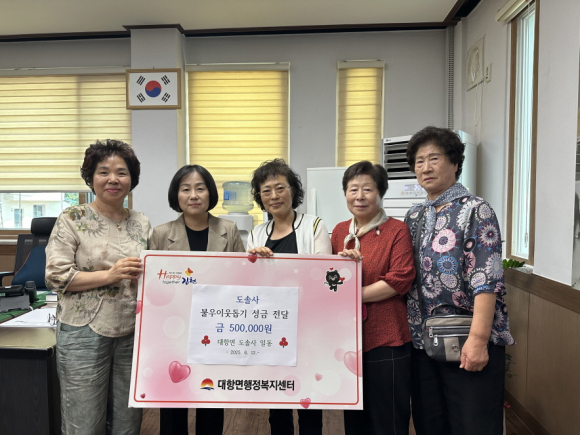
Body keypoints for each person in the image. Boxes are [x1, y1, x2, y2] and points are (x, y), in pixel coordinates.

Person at [404, 126, 515, 435]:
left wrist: (478, 340)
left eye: (434, 158)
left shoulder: (475, 210)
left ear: (454, 162)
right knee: (430, 423)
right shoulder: (414, 216)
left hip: (467, 339)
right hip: (423, 342)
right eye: (419, 161)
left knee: (473, 424)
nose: (425, 167)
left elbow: (486, 279)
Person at [45, 140, 150, 435]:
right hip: (82, 331)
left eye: (122, 172)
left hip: (131, 330)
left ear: (132, 180)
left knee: (128, 421)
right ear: (91, 178)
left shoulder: (141, 222)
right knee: (84, 422)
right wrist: (110, 275)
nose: (113, 179)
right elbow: (55, 276)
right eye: (104, 172)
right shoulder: (72, 218)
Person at [150, 164, 244, 435]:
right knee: (172, 400)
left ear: (210, 193)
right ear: (176, 195)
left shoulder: (229, 229)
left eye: (200, 188)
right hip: (173, 329)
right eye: (186, 189)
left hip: (216, 329)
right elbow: (153, 288)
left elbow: (241, 279)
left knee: (211, 396)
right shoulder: (160, 233)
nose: (193, 195)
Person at [247, 158, 331, 435]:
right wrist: (256, 264)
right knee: (277, 402)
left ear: (293, 191)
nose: (274, 195)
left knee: (309, 401)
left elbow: (323, 278)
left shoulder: (314, 225)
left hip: (308, 327)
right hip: (271, 328)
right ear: (260, 197)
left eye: (280, 187)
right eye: (266, 190)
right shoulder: (257, 233)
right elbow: (250, 284)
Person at [330, 161, 415, 435]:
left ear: (380, 193)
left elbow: (399, 280)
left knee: (388, 419)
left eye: (367, 189)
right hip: (348, 339)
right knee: (355, 419)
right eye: (353, 189)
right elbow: (329, 279)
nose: (360, 196)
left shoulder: (397, 230)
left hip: (387, 337)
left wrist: (350, 296)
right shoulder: (339, 232)